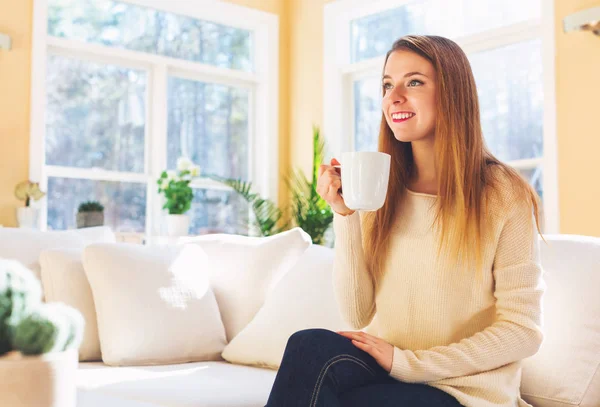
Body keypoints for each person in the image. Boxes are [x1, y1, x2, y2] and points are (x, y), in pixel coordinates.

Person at [264, 34, 545, 407]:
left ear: (452, 92)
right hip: (387, 369)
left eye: (413, 82)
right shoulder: (381, 186)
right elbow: (357, 312)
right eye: (386, 84)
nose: (393, 97)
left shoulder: (501, 193)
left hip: (460, 390)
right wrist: (345, 214)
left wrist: (412, 363)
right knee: (309, 346)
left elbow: (522, 331)